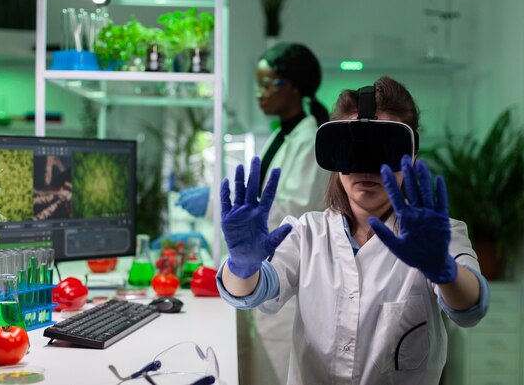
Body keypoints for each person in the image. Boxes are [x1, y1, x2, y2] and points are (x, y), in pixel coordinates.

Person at [216, 76, 490, 385]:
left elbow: (470, 309)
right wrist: (241, 266)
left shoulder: (441, 237)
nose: (365, 168)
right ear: (334, 156)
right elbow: (254, 291)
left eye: (383, 149)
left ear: (411, 157)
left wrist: (445, 271)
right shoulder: (308, 233)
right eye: (352, 149)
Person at [176, 42, 331, 383]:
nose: (259, 93)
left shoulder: (310, 139)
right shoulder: (281, 135)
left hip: (285, 288)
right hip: (261, 283)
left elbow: (289, 213)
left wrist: (215, 207)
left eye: (267, 83)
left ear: (292, 86)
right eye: (257, 83)